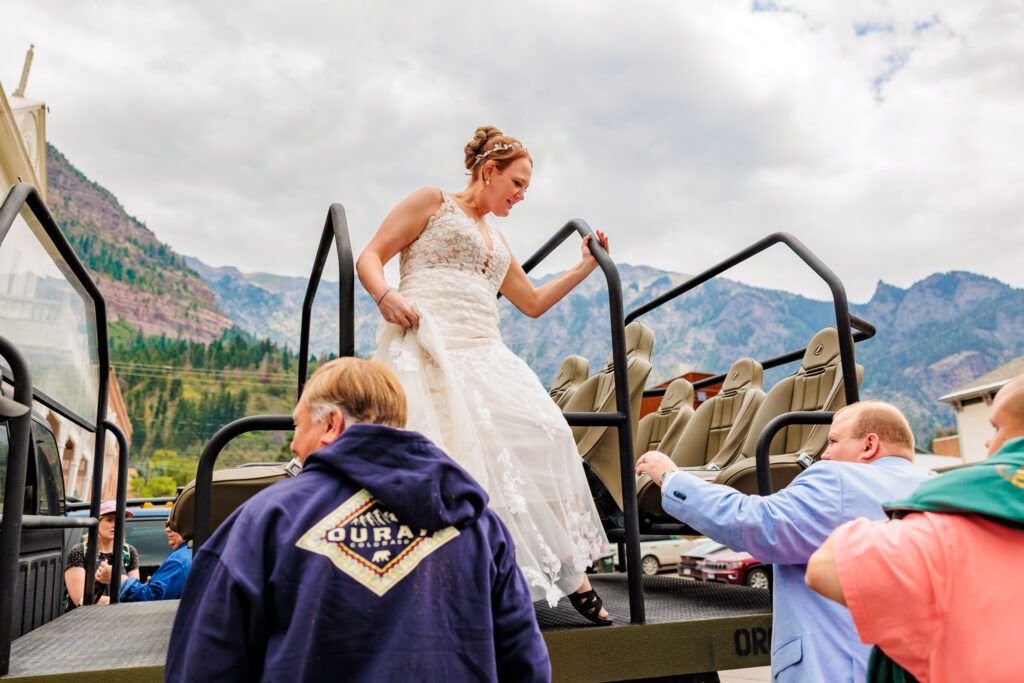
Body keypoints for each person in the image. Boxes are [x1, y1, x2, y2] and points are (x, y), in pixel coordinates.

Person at [356, 125, 610, 623]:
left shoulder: (497, 239)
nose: (520, 196)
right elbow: (370, 255)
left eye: (525, 189)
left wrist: (582, 268)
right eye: (516, 184)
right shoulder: (433, 201)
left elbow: (532, 302)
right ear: (488, 171)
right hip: (431, 340)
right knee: (453, 448)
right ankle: (442, 584)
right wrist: (386, 296)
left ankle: (567, 566)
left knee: (549, 430)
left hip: (487, 350)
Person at [165, 357, 549, 682]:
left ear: (331, 424)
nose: (293, 445)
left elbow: (204, 663)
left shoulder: (261, 521)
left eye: (298, 426)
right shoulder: (480, 525)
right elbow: (526, 664)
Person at [635, 400, 929, 682]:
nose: (824, 454)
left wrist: (672, 480)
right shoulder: (933, 490)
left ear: (869, 445)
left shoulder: (838, 478)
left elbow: (758, 524)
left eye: (834, 442)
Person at [807, 374, 1024, 682]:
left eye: (996, 427)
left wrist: (903, 518)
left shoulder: (942, 530)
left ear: (869, 445)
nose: (989, 441)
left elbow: (825, 567)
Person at [64, 499, 140, 609]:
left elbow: (133, 591)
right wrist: (122, 601)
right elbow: (80, 599)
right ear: (97, 522)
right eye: (109, 520)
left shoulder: (129, 552)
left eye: (119, 520)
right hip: (84, 620)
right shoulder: (80, 551)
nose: (115, 525)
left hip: (119, 618)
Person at [95, 520, 192, 602]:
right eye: (109, 520)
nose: (167, 529)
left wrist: (117, 579)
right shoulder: (191, 552)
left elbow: (150, 599)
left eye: (172, 524)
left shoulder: (178, 562)